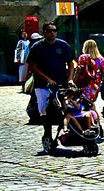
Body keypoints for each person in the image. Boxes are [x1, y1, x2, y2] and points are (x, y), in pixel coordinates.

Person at [26, 22, 75, 152]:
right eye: (49, 31)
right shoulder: (37, 47)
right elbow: (33, 67)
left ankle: (67, 132)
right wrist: (47, 79)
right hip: (42, 85)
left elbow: (70, 63)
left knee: (64, 108)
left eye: (54, 30)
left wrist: (70, 79)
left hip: (61, 84)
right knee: (43, 109)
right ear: (44, 32)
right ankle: (47, 133)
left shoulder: (62, 45)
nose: (52, 33)